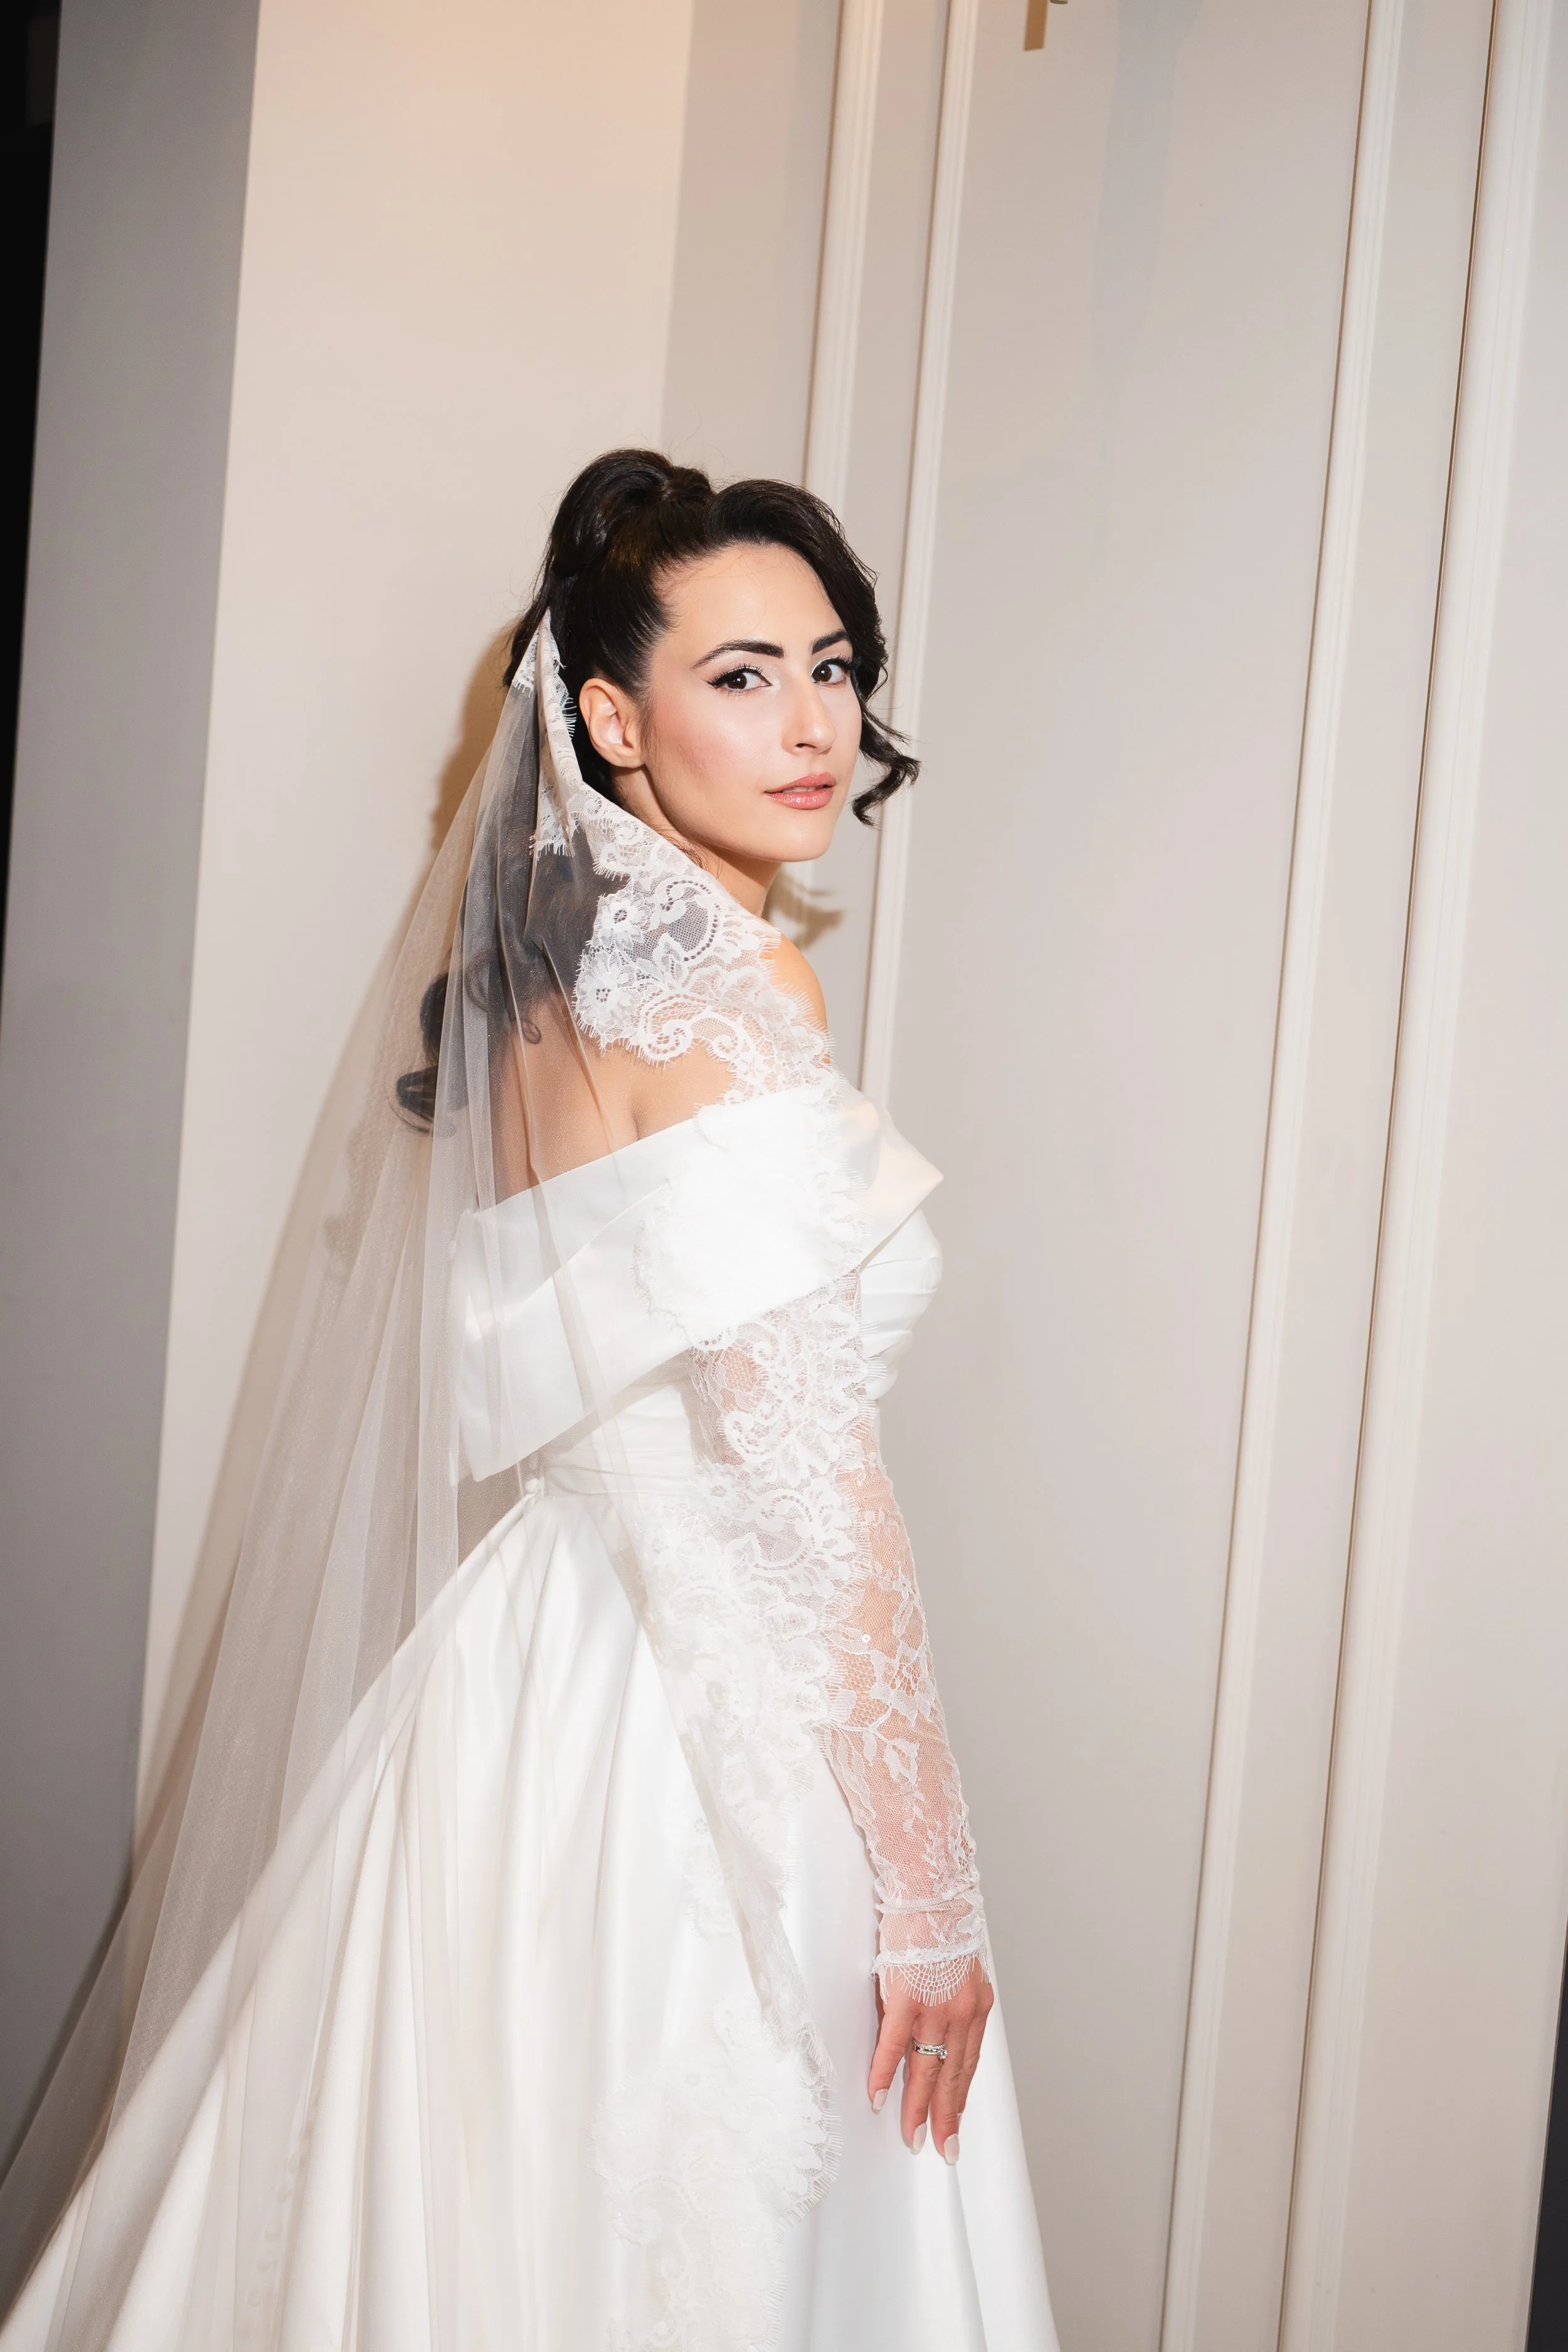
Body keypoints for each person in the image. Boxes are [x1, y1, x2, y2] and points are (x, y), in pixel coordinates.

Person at [0, 452, 1058, 2350]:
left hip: (509, 1690)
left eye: (828, 663)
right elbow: (810, 1485)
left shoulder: (543, 1003)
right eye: (739, 674)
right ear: (609, 716)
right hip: (689, 1721)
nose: (811, 720)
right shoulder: (732, 993)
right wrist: (927, 1882)